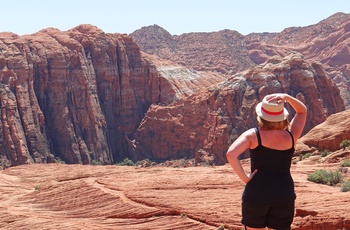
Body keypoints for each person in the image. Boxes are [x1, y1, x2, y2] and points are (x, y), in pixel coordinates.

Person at [226, 93, 307, 230]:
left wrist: (246, 179)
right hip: (284, 194)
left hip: (257, 193)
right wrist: (287, 97)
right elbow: (302, 110)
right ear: (283, 116)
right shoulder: (291, 136)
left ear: (261, 116)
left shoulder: (253, 135)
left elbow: (231, 154)